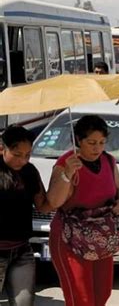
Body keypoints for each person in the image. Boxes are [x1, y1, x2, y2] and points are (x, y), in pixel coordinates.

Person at [46, 115, 119, 306]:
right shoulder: (66, 163)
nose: (97, 148)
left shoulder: (109, 161)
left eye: (101, 142)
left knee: (102, 294)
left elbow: (118, 188)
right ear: (78, 141)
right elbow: (54, 202)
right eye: (91, 142)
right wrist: (67, 174)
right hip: (69, 238)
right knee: (80, 298)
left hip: (100, 238)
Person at [0, 125, 52, 306]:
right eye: (17, 154)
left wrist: (66, 175)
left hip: (22, 250)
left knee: (24, 303)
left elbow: (44, 206)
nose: (23, 160)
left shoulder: (30, 171)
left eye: (27, 154)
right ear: (2, 148)